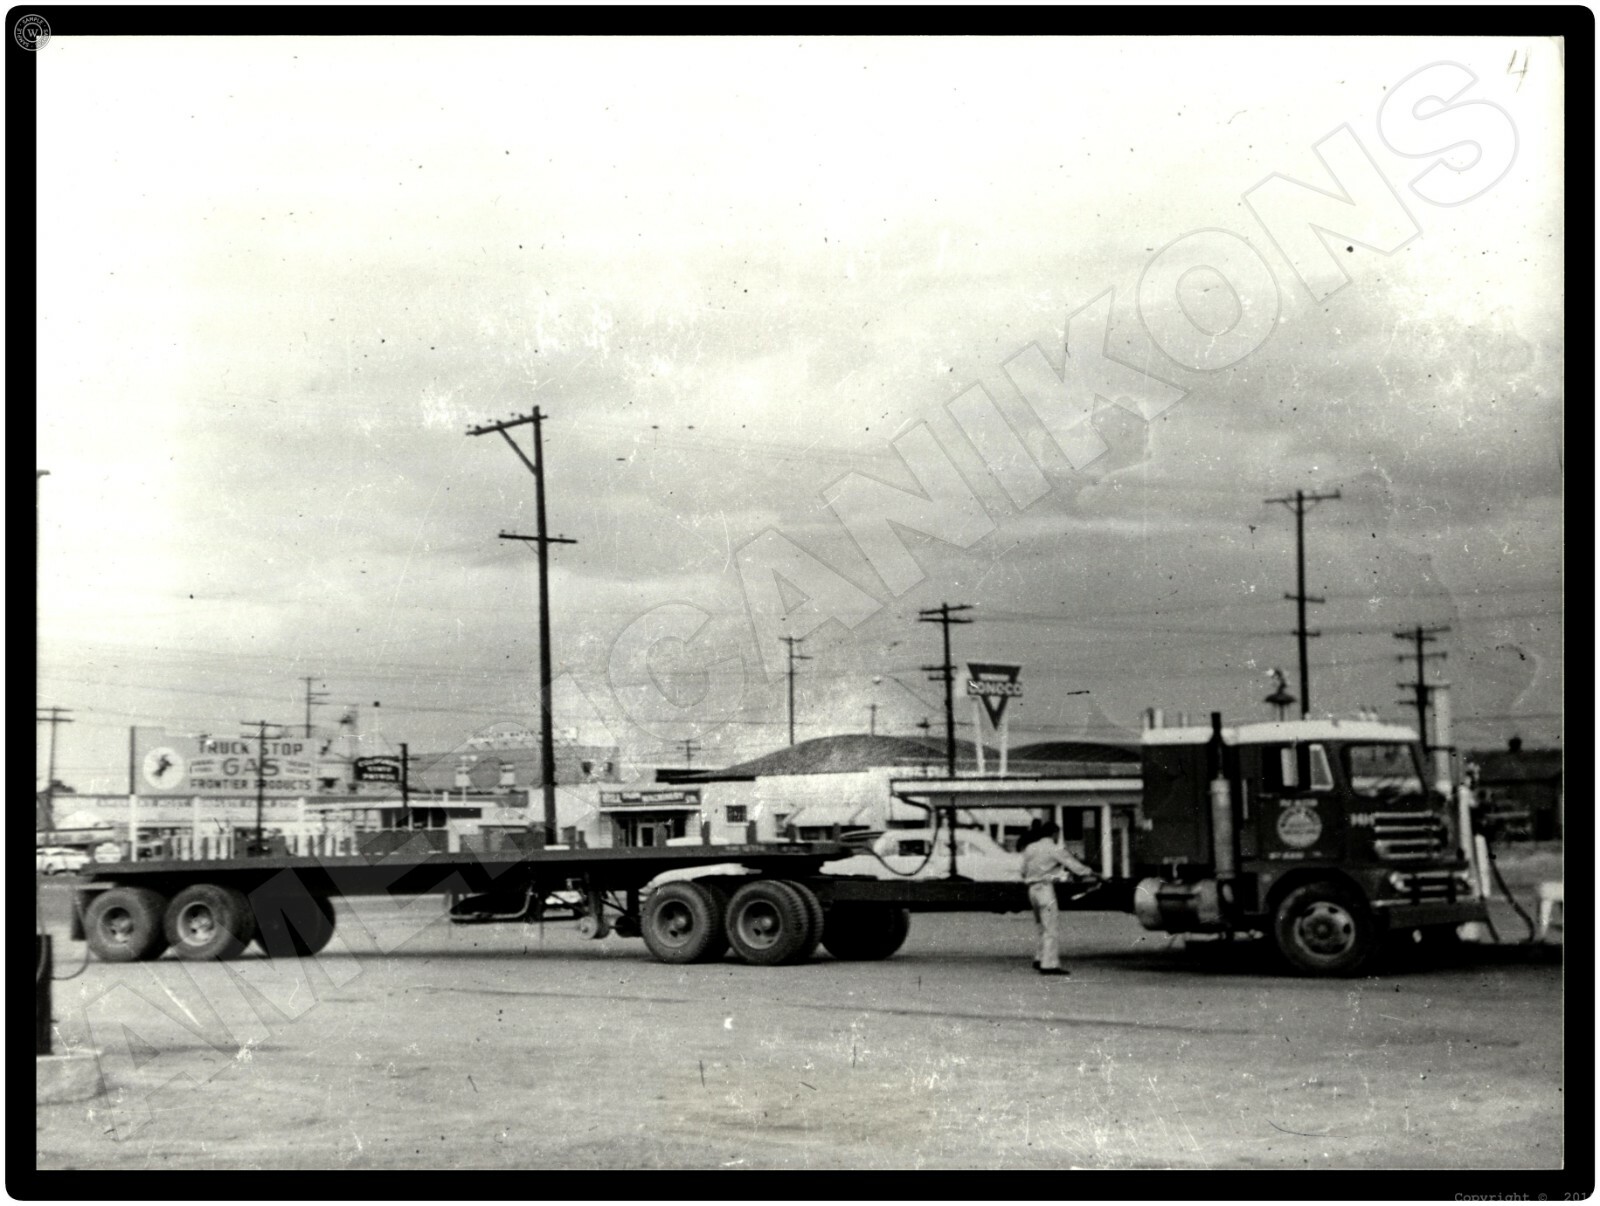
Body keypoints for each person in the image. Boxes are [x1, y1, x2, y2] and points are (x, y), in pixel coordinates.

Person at [1020, 820, 1099, 976]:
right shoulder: (1055, 848)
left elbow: (1023, 870)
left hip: (1032, 890)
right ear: (1054, 833)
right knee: (1050, 927)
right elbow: (1074, 865)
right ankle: (1049, 965)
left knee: (1041, 926)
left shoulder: (1030, 848)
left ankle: (1039, 958)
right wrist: (1093, 873)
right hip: (1044, 889)